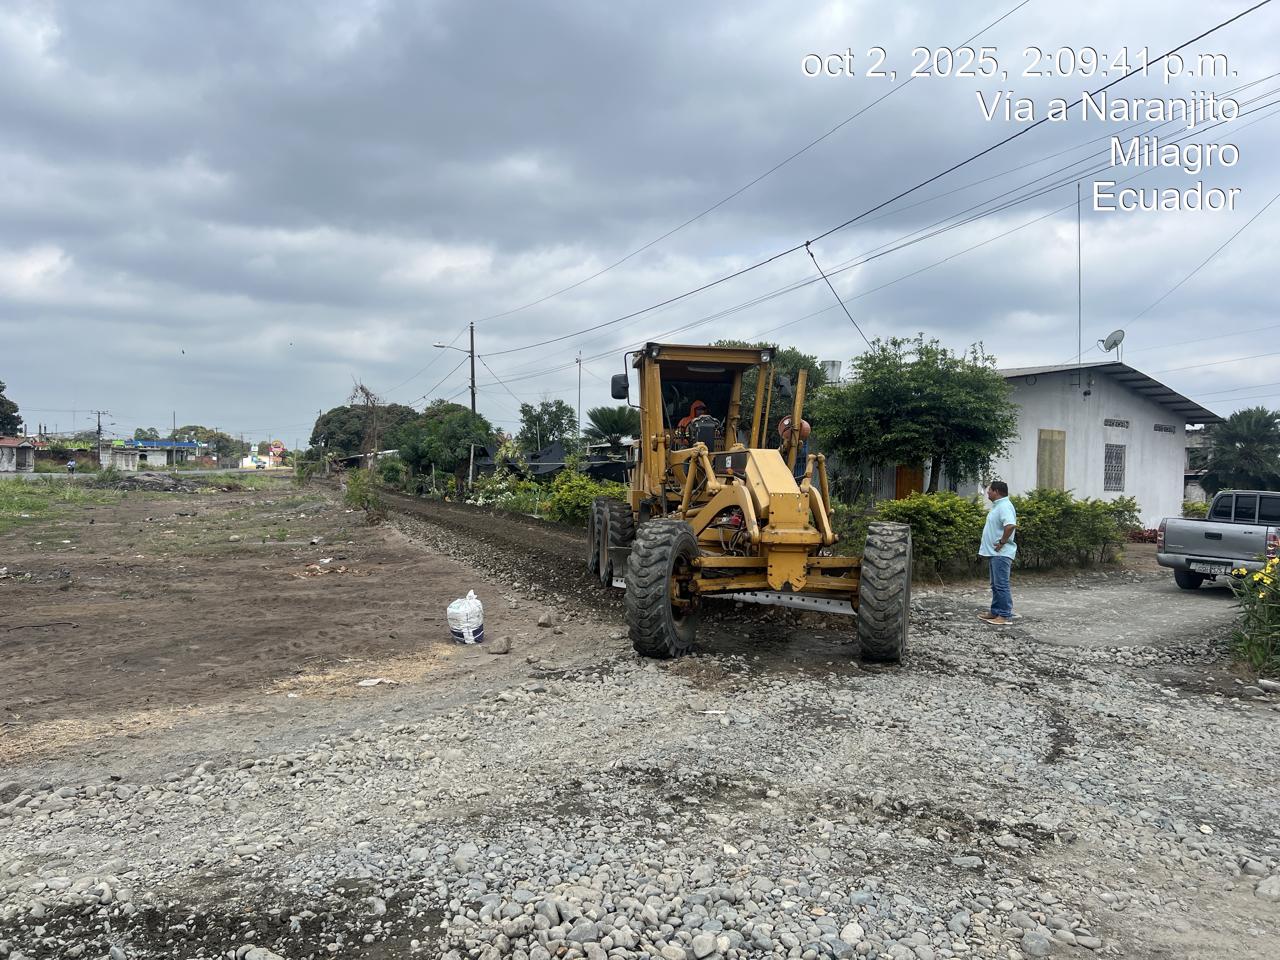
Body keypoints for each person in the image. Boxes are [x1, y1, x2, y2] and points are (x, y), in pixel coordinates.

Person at [978, 480, 1017, 625]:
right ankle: (995, 612)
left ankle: (1005, 615)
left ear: (997, 492)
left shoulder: (1004, 506)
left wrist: (1002, 542)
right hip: (995, 553)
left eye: (990, 490)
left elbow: (1010, 525)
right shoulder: (998, 506)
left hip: (1001, 553)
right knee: (995, 585)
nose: (988, 492)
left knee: (1001, 585)